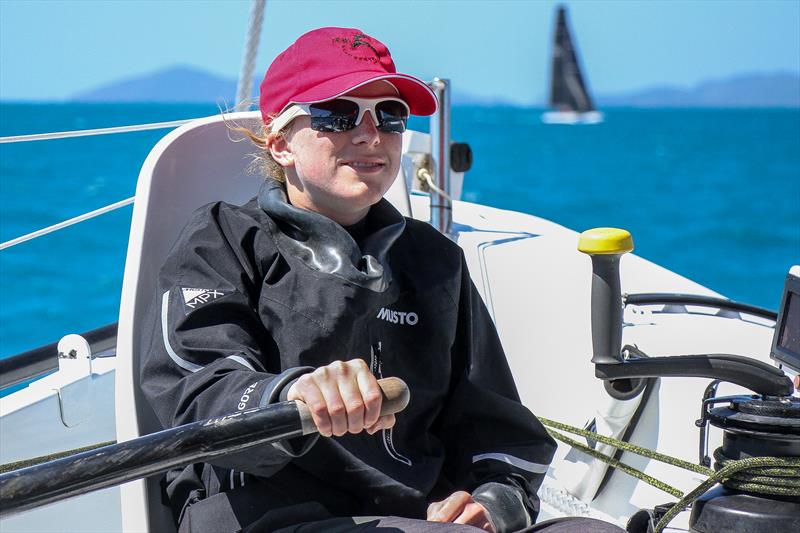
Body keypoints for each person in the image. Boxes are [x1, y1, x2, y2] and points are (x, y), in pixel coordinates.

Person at [141, 27, 619, 533]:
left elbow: (496, 428)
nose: (370, 134)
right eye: (339, 115)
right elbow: (198, 390)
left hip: (416, 519)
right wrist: (289, 393)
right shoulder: (220, 240)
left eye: (389, 116)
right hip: (267, 516)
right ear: (281, 143)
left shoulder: (435, 261)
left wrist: (496, 499)